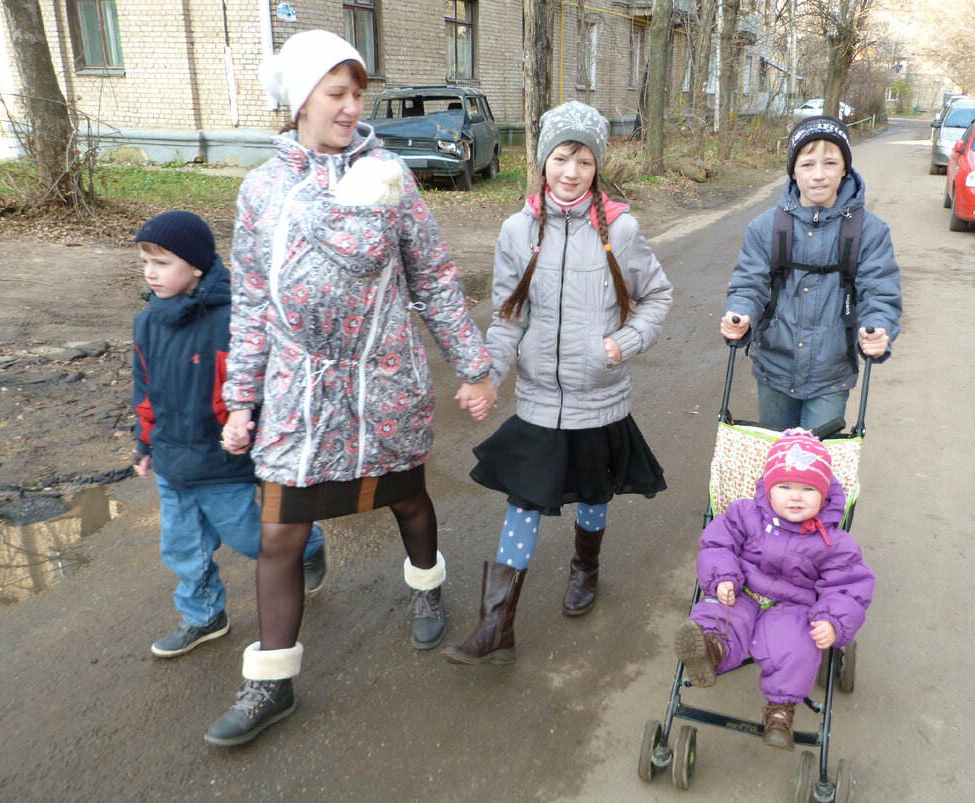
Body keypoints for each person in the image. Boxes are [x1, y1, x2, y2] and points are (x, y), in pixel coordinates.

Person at [205, 30, 495, 746]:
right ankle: (271, 680)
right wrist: (241, 399)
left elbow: (432, 276)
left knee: (407, 498)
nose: (351, 106)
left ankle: (426, 587)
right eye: (337, 93)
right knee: (280, 530)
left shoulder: (388, 174)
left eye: (357, 93)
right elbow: (248, 302)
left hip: (383, 383)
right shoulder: (262, 189)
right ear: (301, 99)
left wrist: (473, 364)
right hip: (299, 394)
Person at [442, 100, 672, 666]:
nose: (571, 172)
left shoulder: (620, 228)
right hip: (540, 399)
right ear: (543, 160)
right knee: (524, 501)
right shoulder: (519, 230)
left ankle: (585, 570)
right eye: (561, 157)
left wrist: (622, 343)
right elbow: (508, 317)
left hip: (601, 395)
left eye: (585, 161)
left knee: (594, 492)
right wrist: (488, 376)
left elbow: (657, 297)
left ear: (598, 167)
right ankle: (497, 624)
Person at [131, 211, 328, 660]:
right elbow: (144, 390)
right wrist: (144, 441)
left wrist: (256, 432)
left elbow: (263, 384)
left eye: (161, 262)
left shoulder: (234, 318)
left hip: (222, 461)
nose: (149, 272)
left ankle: (308, 544)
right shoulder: (147, 322)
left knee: (251, 539)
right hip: (171, 461)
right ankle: (203, 616)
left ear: (196, 266)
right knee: (182, 546)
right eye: (145, 261)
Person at [673, 429, 874, 749]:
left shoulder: (834, 541)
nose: (796, 496)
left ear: (824, 495)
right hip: (742, 589)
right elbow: (716, 544)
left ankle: (781, 711)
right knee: (720, 612)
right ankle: (709, 651)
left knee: (797, 643)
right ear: (768, 487)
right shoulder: (744, 514)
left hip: (794, 605)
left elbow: (848, 586)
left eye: (808, 489)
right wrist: (722, 576)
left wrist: (833, 621)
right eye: (785, 487)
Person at [720, 115, 902, 432]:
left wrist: (878, 329)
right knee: (778, 468)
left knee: (817, 472)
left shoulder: (870, 231)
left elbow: (879, 294)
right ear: (793, 170)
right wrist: (740, 314)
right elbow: (749, 285)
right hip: (774, 370)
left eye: (830, 163)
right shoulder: (765, 228)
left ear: (845, 168)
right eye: (807, 164)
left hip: (831, 376)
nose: (819, 175)